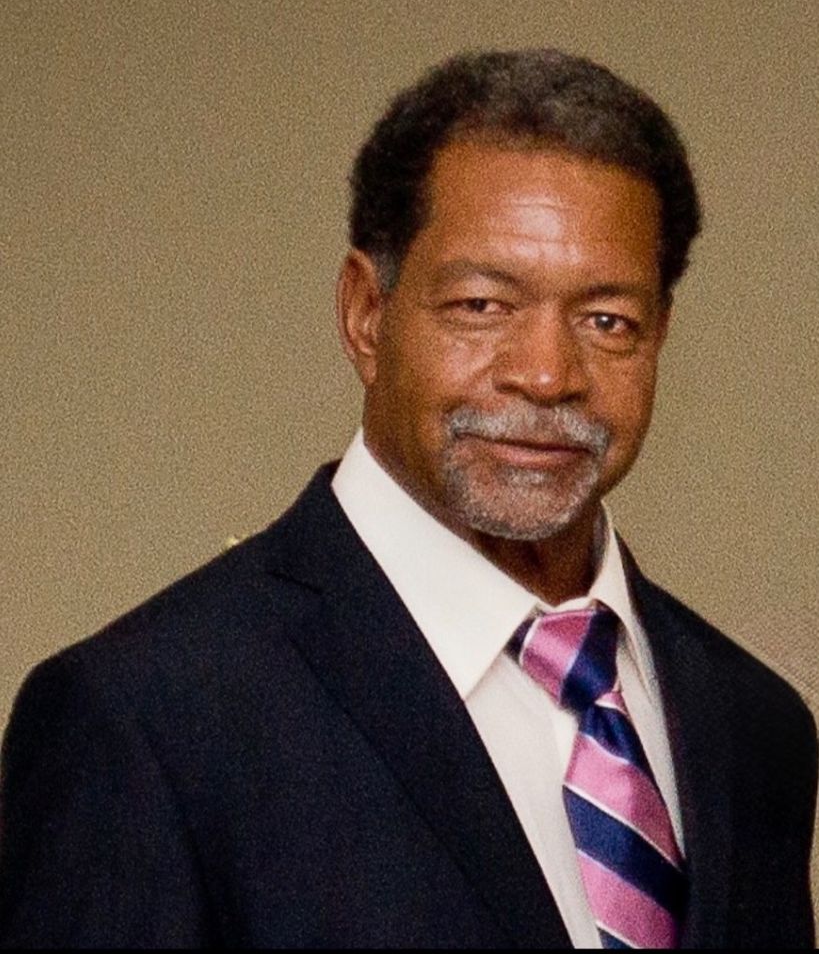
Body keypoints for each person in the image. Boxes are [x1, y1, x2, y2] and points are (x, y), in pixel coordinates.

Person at [0, 50, 815, 950]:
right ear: (364, 313)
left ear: (658, 334)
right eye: (480, 306)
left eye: (605, 321)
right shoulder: (149, 721)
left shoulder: (754, 728)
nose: (547, 375)